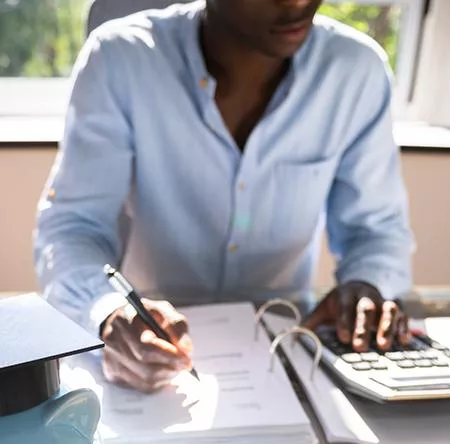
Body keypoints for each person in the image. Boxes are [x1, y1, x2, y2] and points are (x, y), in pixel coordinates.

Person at [34, 0, 414, 393]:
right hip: (147, 354)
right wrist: (107, 310)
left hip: (288, 355)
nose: (298, 2)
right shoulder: (121, 59)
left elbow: (376, 230)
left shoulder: (356, 71)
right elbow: (73, 227)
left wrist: (367, 283)